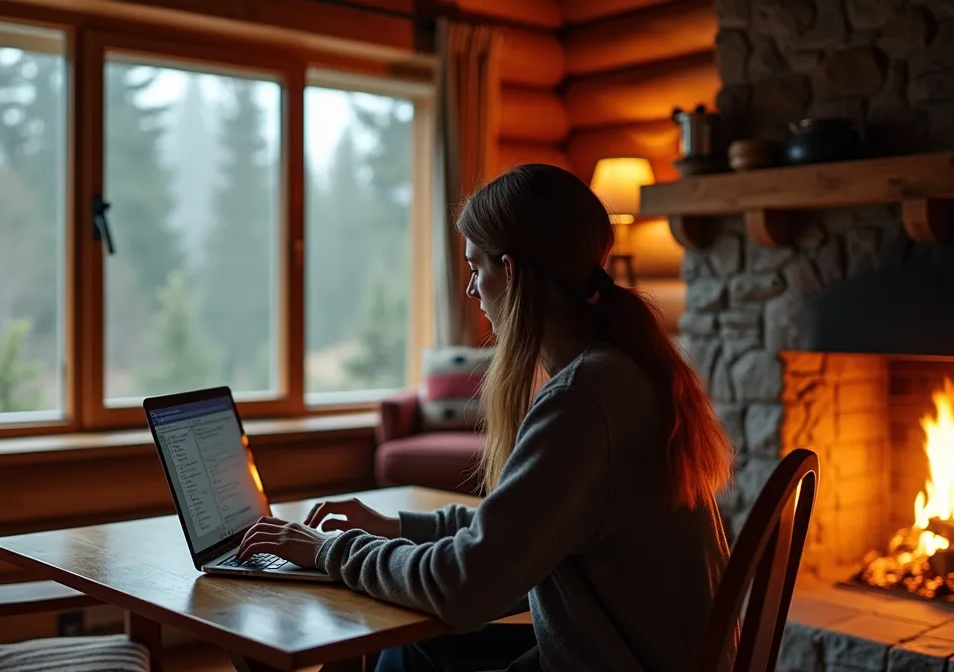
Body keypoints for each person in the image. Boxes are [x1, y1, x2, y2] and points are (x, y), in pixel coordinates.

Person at [238, 163, 735, 671]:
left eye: (476, 268)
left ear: (512, 271)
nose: (473, 290)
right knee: (403, 648)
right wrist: (394, 526)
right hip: (627, 653)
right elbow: (521, 528)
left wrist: (330, 551)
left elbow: (465, 588)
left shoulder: (584, 400)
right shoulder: (624, 373)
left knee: (399, 655)